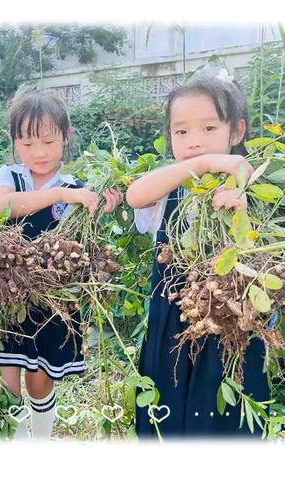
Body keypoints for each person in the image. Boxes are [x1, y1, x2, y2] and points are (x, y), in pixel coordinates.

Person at [126, 74, 270, 438]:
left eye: (208, 127)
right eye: (181, 132)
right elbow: (134, 196)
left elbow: (258, 249)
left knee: (225, 414)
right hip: (172, 323)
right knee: (167, 412)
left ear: (235, 132)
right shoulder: (171, 185)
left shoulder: (252, 185)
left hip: (228, 325)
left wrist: (240, 202)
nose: (194, 142)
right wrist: (203, 166)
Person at [0, 91, 123, 439]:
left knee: (39, 377)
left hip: (53, 298)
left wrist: (103, 207)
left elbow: (85, 233)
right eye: (28, 142)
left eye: (49, 141)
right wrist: (60, 195)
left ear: (66, 137)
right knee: (8, 372)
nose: (40, 152)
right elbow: (2, 208)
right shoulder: (10, 176)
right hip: (9, 290)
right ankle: (14, 443)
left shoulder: (76, 186)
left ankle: (41, 442)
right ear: (15, 142)